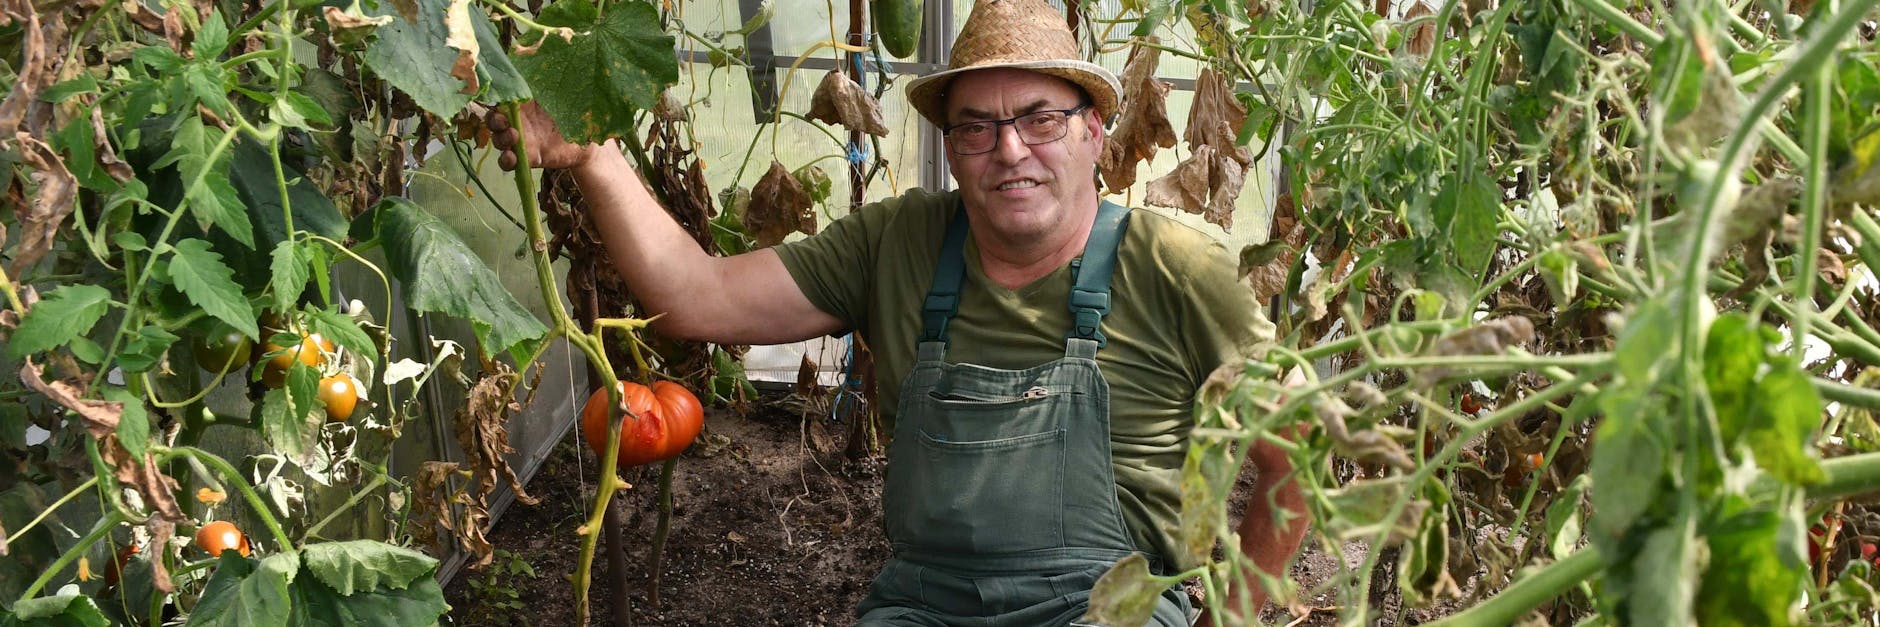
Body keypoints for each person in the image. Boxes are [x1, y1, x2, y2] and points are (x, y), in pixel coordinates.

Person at [493, 0, 1307, 623]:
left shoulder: (1177, 269)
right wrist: (591, 154)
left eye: (1040, 119)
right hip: (925, 606)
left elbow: (1298, 455)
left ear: (1094, 132)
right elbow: (696, 296)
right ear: (951, 148)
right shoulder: (897, 243)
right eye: (978, 127)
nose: (1010, 149)